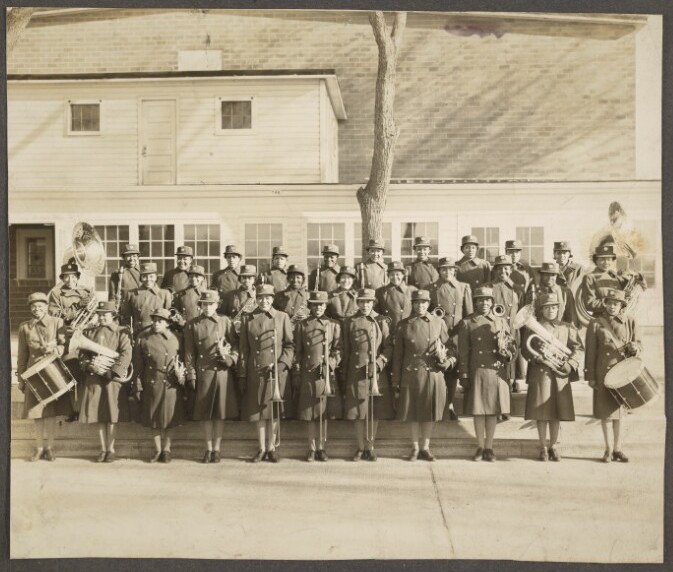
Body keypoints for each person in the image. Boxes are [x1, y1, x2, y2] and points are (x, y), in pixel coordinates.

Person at [393, 289, 455, 461]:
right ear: (412, 304)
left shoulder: (438, 322)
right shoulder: (403, 324)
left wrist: (447, 361)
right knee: (412, 413)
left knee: (429, 412)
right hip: (411, 373)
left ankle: (425, 448)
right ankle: (414, 447)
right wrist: (396, 381)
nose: (420, 305)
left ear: (429, 304)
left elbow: (450, 347)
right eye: (417, 302)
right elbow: (398, 355)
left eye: (424, 302)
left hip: (432, 373)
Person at [458, 287, 517, 462]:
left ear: (492, 302)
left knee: (492, 411)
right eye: (480, 300)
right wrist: (464, 374)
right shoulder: (467, 322)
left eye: (487, 300)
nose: (484, 303)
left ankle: (489, 447)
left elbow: (512, 346)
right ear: (475, 302)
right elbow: (463, 351)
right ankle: (480, 446)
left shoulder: (501, 321)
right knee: (478, 412)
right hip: (477, 370)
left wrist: (507, 353)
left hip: (495, 371)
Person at [522, 293, 583, 462]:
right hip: (540, 373)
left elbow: (578, 349)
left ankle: (554, 446)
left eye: (554, 307)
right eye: (547, 308)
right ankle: (542, 447)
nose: (551, 310)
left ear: (559, 309)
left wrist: (570, 364)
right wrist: (536, 358)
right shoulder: (533, 327)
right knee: (541, 413)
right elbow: (525, 349)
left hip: (559, 374)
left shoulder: (567, 327)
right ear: (542, 310)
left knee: (556, 412)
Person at [238, 284, 294, 463]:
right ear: (256, 299)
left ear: (273, 299)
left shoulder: (282, 317)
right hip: (256, 370)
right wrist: (243, 372)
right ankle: (261, 448)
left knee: (273, 411)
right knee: (258, 411)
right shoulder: (248, 318)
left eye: (268, 297)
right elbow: (243, 349)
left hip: (277, 371)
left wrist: (282, 364)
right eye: (261, 298)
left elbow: (289, 345)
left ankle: (272, 448)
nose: (264, 301)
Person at [584, 289, 642, 463]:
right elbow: (590, 353)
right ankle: (608, 449)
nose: (611, 307)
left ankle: (618, 449)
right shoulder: (595, 323)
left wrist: (635, 347)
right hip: (604, 374)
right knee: (605, 414)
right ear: (605, 304)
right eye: (609, 303)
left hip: (623, 373)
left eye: (615, 304)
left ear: (621, 306)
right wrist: (591, 377)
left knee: (620, 414)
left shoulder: (630, 321)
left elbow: (639, 344)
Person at [183, 290, 239, 463]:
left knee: (220, 412)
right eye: (204, 304)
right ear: (200, 305)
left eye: (211, 304)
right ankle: (208, 448)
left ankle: (217, 449)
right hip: (203, 372)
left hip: (221, 372)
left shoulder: (225, 322)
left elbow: (236, 347)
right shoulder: (192, 325)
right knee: (205, 413)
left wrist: (229, 359)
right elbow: (189, 353)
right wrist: (191, 374)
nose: (207, 307)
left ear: (217, 305)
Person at [16, 292, 72, 461]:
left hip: (52, 372)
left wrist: (57, 350)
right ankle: (39, 448)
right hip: (33, 374)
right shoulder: (25, 327)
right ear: (30, 308)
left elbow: (65, 345)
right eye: (33, 306)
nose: (37, 309)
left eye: (40, 306)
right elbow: (21, 355)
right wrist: (20, 379)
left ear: (47, 307)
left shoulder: (57, 322)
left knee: (51, 413)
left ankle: (50, 448)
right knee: (37, 413)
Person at [342, 288, 394, 461]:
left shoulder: (381, 321)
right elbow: (346, 350)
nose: (365, 305)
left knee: (373, 411)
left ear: (373, 303)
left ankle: (370, 447)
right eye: (362, 301)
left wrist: (379, 363)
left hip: (376, 374)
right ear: (358, 303)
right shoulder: (350, 322)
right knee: (358, 411)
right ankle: (360, 447)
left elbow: (389, 347)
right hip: (356, 372)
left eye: (369, 302)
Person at [77, 301, 133, 463]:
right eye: (99, 314)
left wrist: (112, 371)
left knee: (112, 414)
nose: (101, 317)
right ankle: (103, 449)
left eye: (105, 314)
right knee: (99, 414)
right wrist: (89, 366)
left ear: (113, 315)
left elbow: (126, 354)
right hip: (95, 378)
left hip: (112, 379)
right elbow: (83, 354)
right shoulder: (90, 332)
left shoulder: (121, 332)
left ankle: (112, 449)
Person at [293, 291, 341, 462]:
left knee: (322, 413)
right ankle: (311, 448)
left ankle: (322, 447)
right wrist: (298, 371)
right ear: (310, 306)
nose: (318, 308)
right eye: (314, 305)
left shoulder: (334, 325)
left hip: (326, 373)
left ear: (325, 306)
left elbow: (338, 349)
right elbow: (297, 352)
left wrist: (331, 363)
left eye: (321, 305)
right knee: (309, 413)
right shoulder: (301, 325)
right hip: (308, 372)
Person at [133, 308, 186, 463]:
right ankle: (157, 450)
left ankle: (167, 450)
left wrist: (182, 375)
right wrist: (137, 385)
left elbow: (183, 359)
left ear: (168, 323)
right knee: (154, 418)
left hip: (171, 383)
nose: (156, 324)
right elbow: (138, 365)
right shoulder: (144, 338)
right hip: (152, 381)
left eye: (160, 321)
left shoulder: (177, 338)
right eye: (154, 320)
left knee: (171, 419)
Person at [47, 260, 96, 420]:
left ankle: (84, 409)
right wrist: (76, 308)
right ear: (63, 278)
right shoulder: (56, 293)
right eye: (66, 277)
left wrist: (90, 307)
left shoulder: (86, 291)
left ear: (77, 277)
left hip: (86, 335)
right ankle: (72, 410)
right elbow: (54, 314)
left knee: (85, 372)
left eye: (73, 276)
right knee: (70, 372)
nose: (70, 280)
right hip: (67, 337)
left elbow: (95, 313)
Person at [428, 256, 473, 420]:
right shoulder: (431, 288)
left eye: (450, 269)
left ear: (455, 271)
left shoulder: (463, 287)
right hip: (437, 335)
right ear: (439, 271)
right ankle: (438, 405)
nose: (447, 272)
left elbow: (469, 315)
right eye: (444, 269)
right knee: (438, 369)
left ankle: (450, 405)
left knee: (453, 372)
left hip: (457, 335)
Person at [581, 244, 643, 318]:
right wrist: (612, 304)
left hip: (619, 319)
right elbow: (589, 304)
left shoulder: (614, 275)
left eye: (609, 259)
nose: (606, 262)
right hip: (601, 321)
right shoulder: (589, 277)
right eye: (602, 259)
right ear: (596, 261)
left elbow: (628, 289)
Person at [490, 254, 523, 394]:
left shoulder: (518, 289)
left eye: (506, 268)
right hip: (493, 334)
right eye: (500, 268)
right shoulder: (488, 288)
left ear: (511, 269)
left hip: (513, 333)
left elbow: (522, 312)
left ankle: (506, 403)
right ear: (495, 270)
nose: (503, 271)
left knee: (510, 369)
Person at [121, 262, 172, 338]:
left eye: (151, 276)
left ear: (156, 277)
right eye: (144, 276)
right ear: (141, 278)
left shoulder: (164, 294)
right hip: (138, 333)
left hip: (158, 333)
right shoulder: (132, 294)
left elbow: (168, 318)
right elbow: (126, 319)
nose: (148, 279)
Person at [375, 261, 417, 332]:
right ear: (388, 276)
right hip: (388, 330)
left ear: (403, 275)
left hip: (408, 330)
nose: (395, 277)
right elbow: (377, 312)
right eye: (392, 274)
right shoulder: (381, 291)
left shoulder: (412, 290)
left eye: (398, 274)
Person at [534, 262, 578, 326]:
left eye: (553, 275)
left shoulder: (565, 292)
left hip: (560, 332)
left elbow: (572, 317)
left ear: (557, 276)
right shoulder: (534, 293)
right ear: (542, 275)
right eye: (546, 275)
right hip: (540, 331)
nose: (549, 278)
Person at [108, 243, 142, 310]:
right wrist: (113, 309)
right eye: (128, 256)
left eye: (134, 256)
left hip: (139, 307)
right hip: (124, 309)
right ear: (123, 257)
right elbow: (112, 296)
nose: (132, 259)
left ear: (138, 257)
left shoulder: (143, 272)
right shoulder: (117, 273)